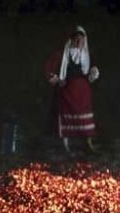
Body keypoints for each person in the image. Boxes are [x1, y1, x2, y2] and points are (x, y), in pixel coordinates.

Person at [44, 25, 101, 154]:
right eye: (76, 39)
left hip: (83, 92)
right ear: (72, 40)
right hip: (68, 91)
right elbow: (49, 66)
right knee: (66, 117)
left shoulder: (87, 55)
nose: (79, 42)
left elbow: (91, 72)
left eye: (81, 40)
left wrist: (93, 73)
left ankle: (89, 143)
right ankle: (66, 145)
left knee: (85, 117)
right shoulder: (63, 54)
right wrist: (57, 79)